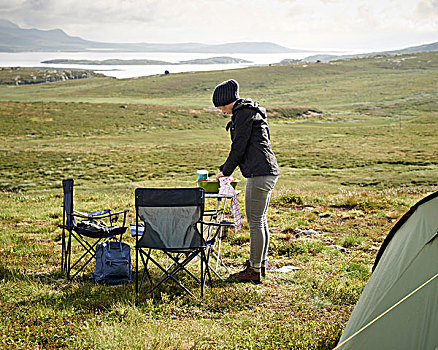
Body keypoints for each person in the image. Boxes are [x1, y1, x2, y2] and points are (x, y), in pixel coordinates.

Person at [212, 79, 280, 284]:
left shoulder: (243, 114)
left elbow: (239, 146)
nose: (221, 111)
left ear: (227, 101)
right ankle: (260, 263)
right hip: (266, 170)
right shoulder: (250, 111)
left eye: (221, 106)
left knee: (255, 221)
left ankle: (254, 270)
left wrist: (224, 171)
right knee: (261, 219)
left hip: (260, 173)